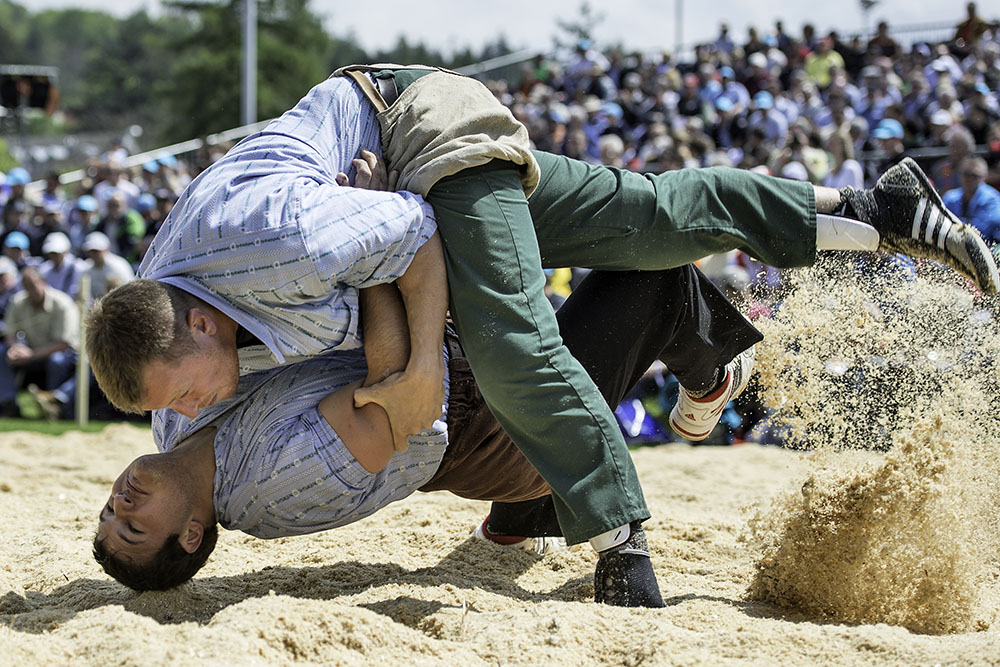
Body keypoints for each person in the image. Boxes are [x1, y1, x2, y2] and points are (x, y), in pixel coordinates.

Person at [86, 67, 999, 608]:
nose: (185, 410)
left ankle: (620, 536)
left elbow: (403, 234)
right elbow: (404, 401)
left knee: (518, 348)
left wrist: (363, 216)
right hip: (392, 164)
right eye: (174, 408)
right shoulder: (181, 331)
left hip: (416, 148)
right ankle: (877, 211)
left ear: (198, 317)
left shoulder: (285, 237)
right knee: (650, 217)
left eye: (182, 390)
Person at [93, 265, 761, 593]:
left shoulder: (172, 414)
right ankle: (714, 379)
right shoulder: (268, 488)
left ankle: (522, 517)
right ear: (189, 532)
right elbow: (400, 402)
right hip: (509, 429)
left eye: (107, 510)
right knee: (652, 274)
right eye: (132, 524)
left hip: (466, 370)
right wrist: (376, 250)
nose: (118, 502)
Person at [0, 267, 79, 418]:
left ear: (44, 283)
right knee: (1, 351)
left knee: (56, 360)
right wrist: (14, 348)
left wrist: (32, 355)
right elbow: (9, 333)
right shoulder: (18, 301)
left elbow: (63, 344)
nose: (31, 291)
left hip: (63, 356)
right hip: (30, 354)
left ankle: (53, 405)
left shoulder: (62, 303)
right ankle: (8, 403)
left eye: (34, 285)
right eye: (27, 287)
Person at [943, 156, 1000, 244]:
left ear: (984, 177)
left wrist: (955, 227)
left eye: (974, 175)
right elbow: (942, 223)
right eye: (965, 174)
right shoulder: (950, 197)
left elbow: (981, 229)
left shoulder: (992, 198)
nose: (969, 179)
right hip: (954, 244)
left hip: (986, 246)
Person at [81, 231, 135, 299]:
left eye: (96, 251)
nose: (93, 254)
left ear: (105, 250)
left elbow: (130, 289)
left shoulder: (118, 266)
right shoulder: (86, 269)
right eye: (91, 252)